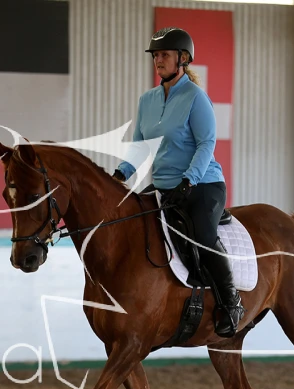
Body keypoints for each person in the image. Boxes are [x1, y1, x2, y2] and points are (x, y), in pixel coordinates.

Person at [113, 27, 245, 338]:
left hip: (202, 185)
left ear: (182, 59)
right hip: (163, 186)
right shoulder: (147, 100)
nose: (158, 60)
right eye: (155, 55)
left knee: (202, 236)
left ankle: (232, 302)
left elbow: (206, 143)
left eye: (164, 55)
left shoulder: (196, 98)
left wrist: (189, 180)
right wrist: (121, 174)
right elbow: (141, 147)